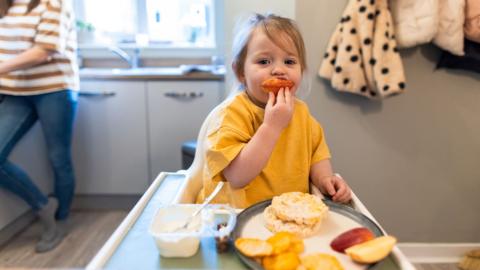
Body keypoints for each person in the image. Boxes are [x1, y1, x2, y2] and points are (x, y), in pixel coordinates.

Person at [196, 13, 352, 209]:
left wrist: (326, 180)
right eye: (264, 62)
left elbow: (317, 156)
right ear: (240, 72)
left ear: (301, 71)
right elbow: (237, 177)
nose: (279, 70)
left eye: (289, 62)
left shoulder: (302, 113)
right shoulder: (232, 114)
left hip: (287, 215)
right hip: (232, 217)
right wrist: (272, 126)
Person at [0, 0, 79, 252]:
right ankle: (44, 207)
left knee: (58, 158)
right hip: (15, 91)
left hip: (54, 89)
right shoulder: (6, 4)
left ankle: (61, 219)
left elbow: (45, 50)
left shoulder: (54, 3)